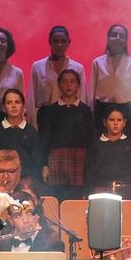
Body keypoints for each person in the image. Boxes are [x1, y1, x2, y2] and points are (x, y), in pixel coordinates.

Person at [37, 68, 93, 201]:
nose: (68, 85)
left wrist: (89, 167)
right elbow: (44, 141)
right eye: (64, 82)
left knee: (76, 202)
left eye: (72, 82)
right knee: (57, 199)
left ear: (78, 85)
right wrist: (44, 165)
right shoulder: (50, 111)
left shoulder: (85, 110)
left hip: (79, 163)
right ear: (59, 85)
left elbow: (91, 141)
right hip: (56, 163)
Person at [91, 23, 131, 138]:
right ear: (108, 39)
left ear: (126, 41)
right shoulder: (97, 63)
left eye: (122, 36)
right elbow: (91, 96)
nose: (118, 38)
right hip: (102, 114)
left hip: (126, 114)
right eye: (114, 35)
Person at [30, 24, 88, 111]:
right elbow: (32, 98)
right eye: (55, 41)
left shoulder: (77, 68)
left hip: (69, 117)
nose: (59, 45)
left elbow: (82, 97)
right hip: (43, 119)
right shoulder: (38, 67)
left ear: (69, 43)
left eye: (63, 41)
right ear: (50, 42)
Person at [87, 107, 131, 195]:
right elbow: (88, 173)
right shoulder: (96, 145)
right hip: (101, 191)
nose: (115, 123)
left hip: (128, 192)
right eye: (112, 120)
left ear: (124, 123)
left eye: (119, 120)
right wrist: (88, 193)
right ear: (105, 122)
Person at [0, 88, 38, 177]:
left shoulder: (31, 131)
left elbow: (36, 159)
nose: (13, 106)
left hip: (25, 180)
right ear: (4, 107)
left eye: (17, 102)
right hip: (1, 180)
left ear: (23, 105)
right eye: (9, 103)